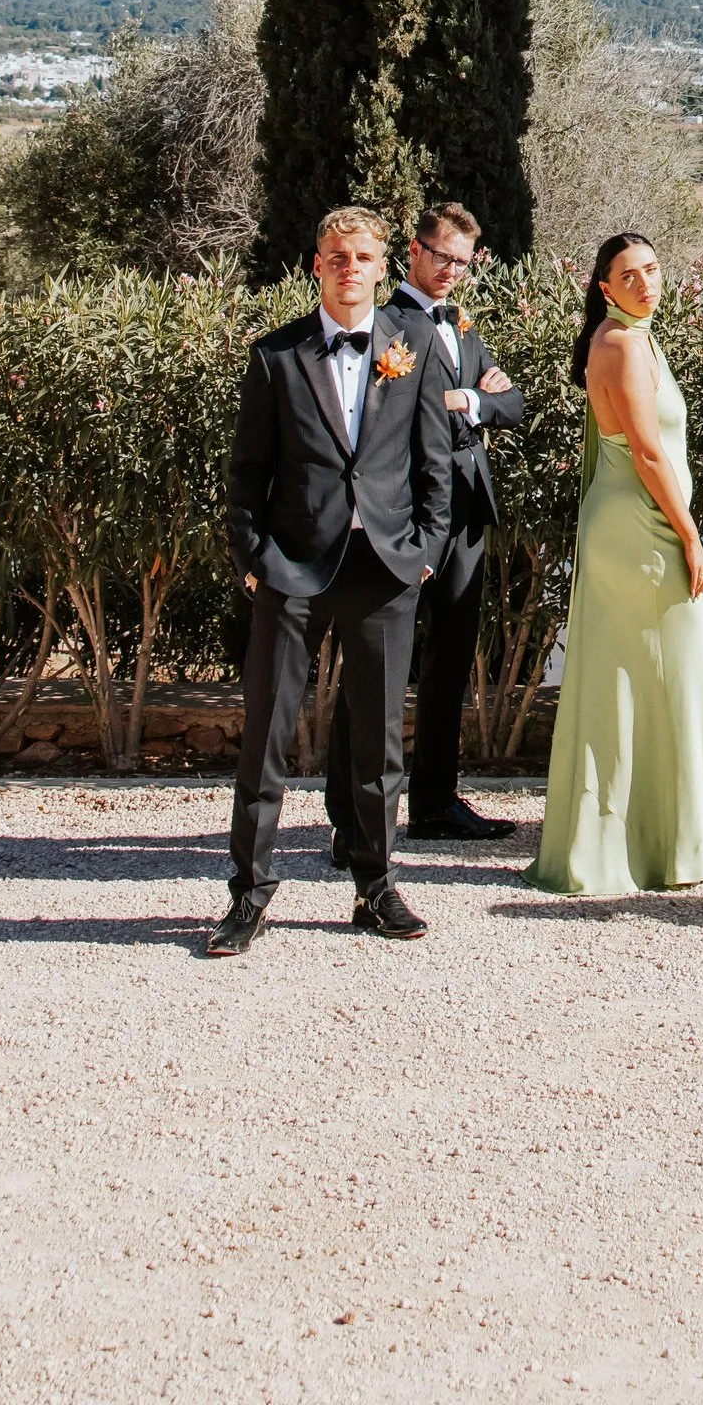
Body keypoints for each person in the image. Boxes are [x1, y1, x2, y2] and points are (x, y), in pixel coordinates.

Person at [204, 204, 452, 958]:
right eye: (337, 257)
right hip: (294, 570)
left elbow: (433, 459)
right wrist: (254, 563)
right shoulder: (274, 356)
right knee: (267, 738)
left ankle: (375, 887)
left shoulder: (414, 345)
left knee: (377, 742)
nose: (351, 269)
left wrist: (426, 551)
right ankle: (248, 895)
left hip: (383, 569)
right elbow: (245, 475)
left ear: (384, 267)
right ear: (317, 266)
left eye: (364, 258)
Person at [529, 233, 703, 897]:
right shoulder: (620, 344)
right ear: (605, 288)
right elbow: (649, 454)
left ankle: (674, 841)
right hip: (640, 528)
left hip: (635, 519)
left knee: (651, 682)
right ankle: (674, 847)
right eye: (630, 275)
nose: (646, 283)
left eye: (651, 270)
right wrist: (690, 536)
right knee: (666, 678)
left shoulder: (635, 337)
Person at [322, 197, 525, 858]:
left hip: (465, 513)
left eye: (462, 263)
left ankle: (435, 802)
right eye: (441, 256)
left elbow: (512, 400)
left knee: (450, 664)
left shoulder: (460, 323)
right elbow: (388, 413)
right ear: (413, 251)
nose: (451, 271)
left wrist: (472, 399)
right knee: (378, 665)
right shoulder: (388, 322)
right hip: (402, 515)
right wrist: (469, 399)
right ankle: (349, 814)